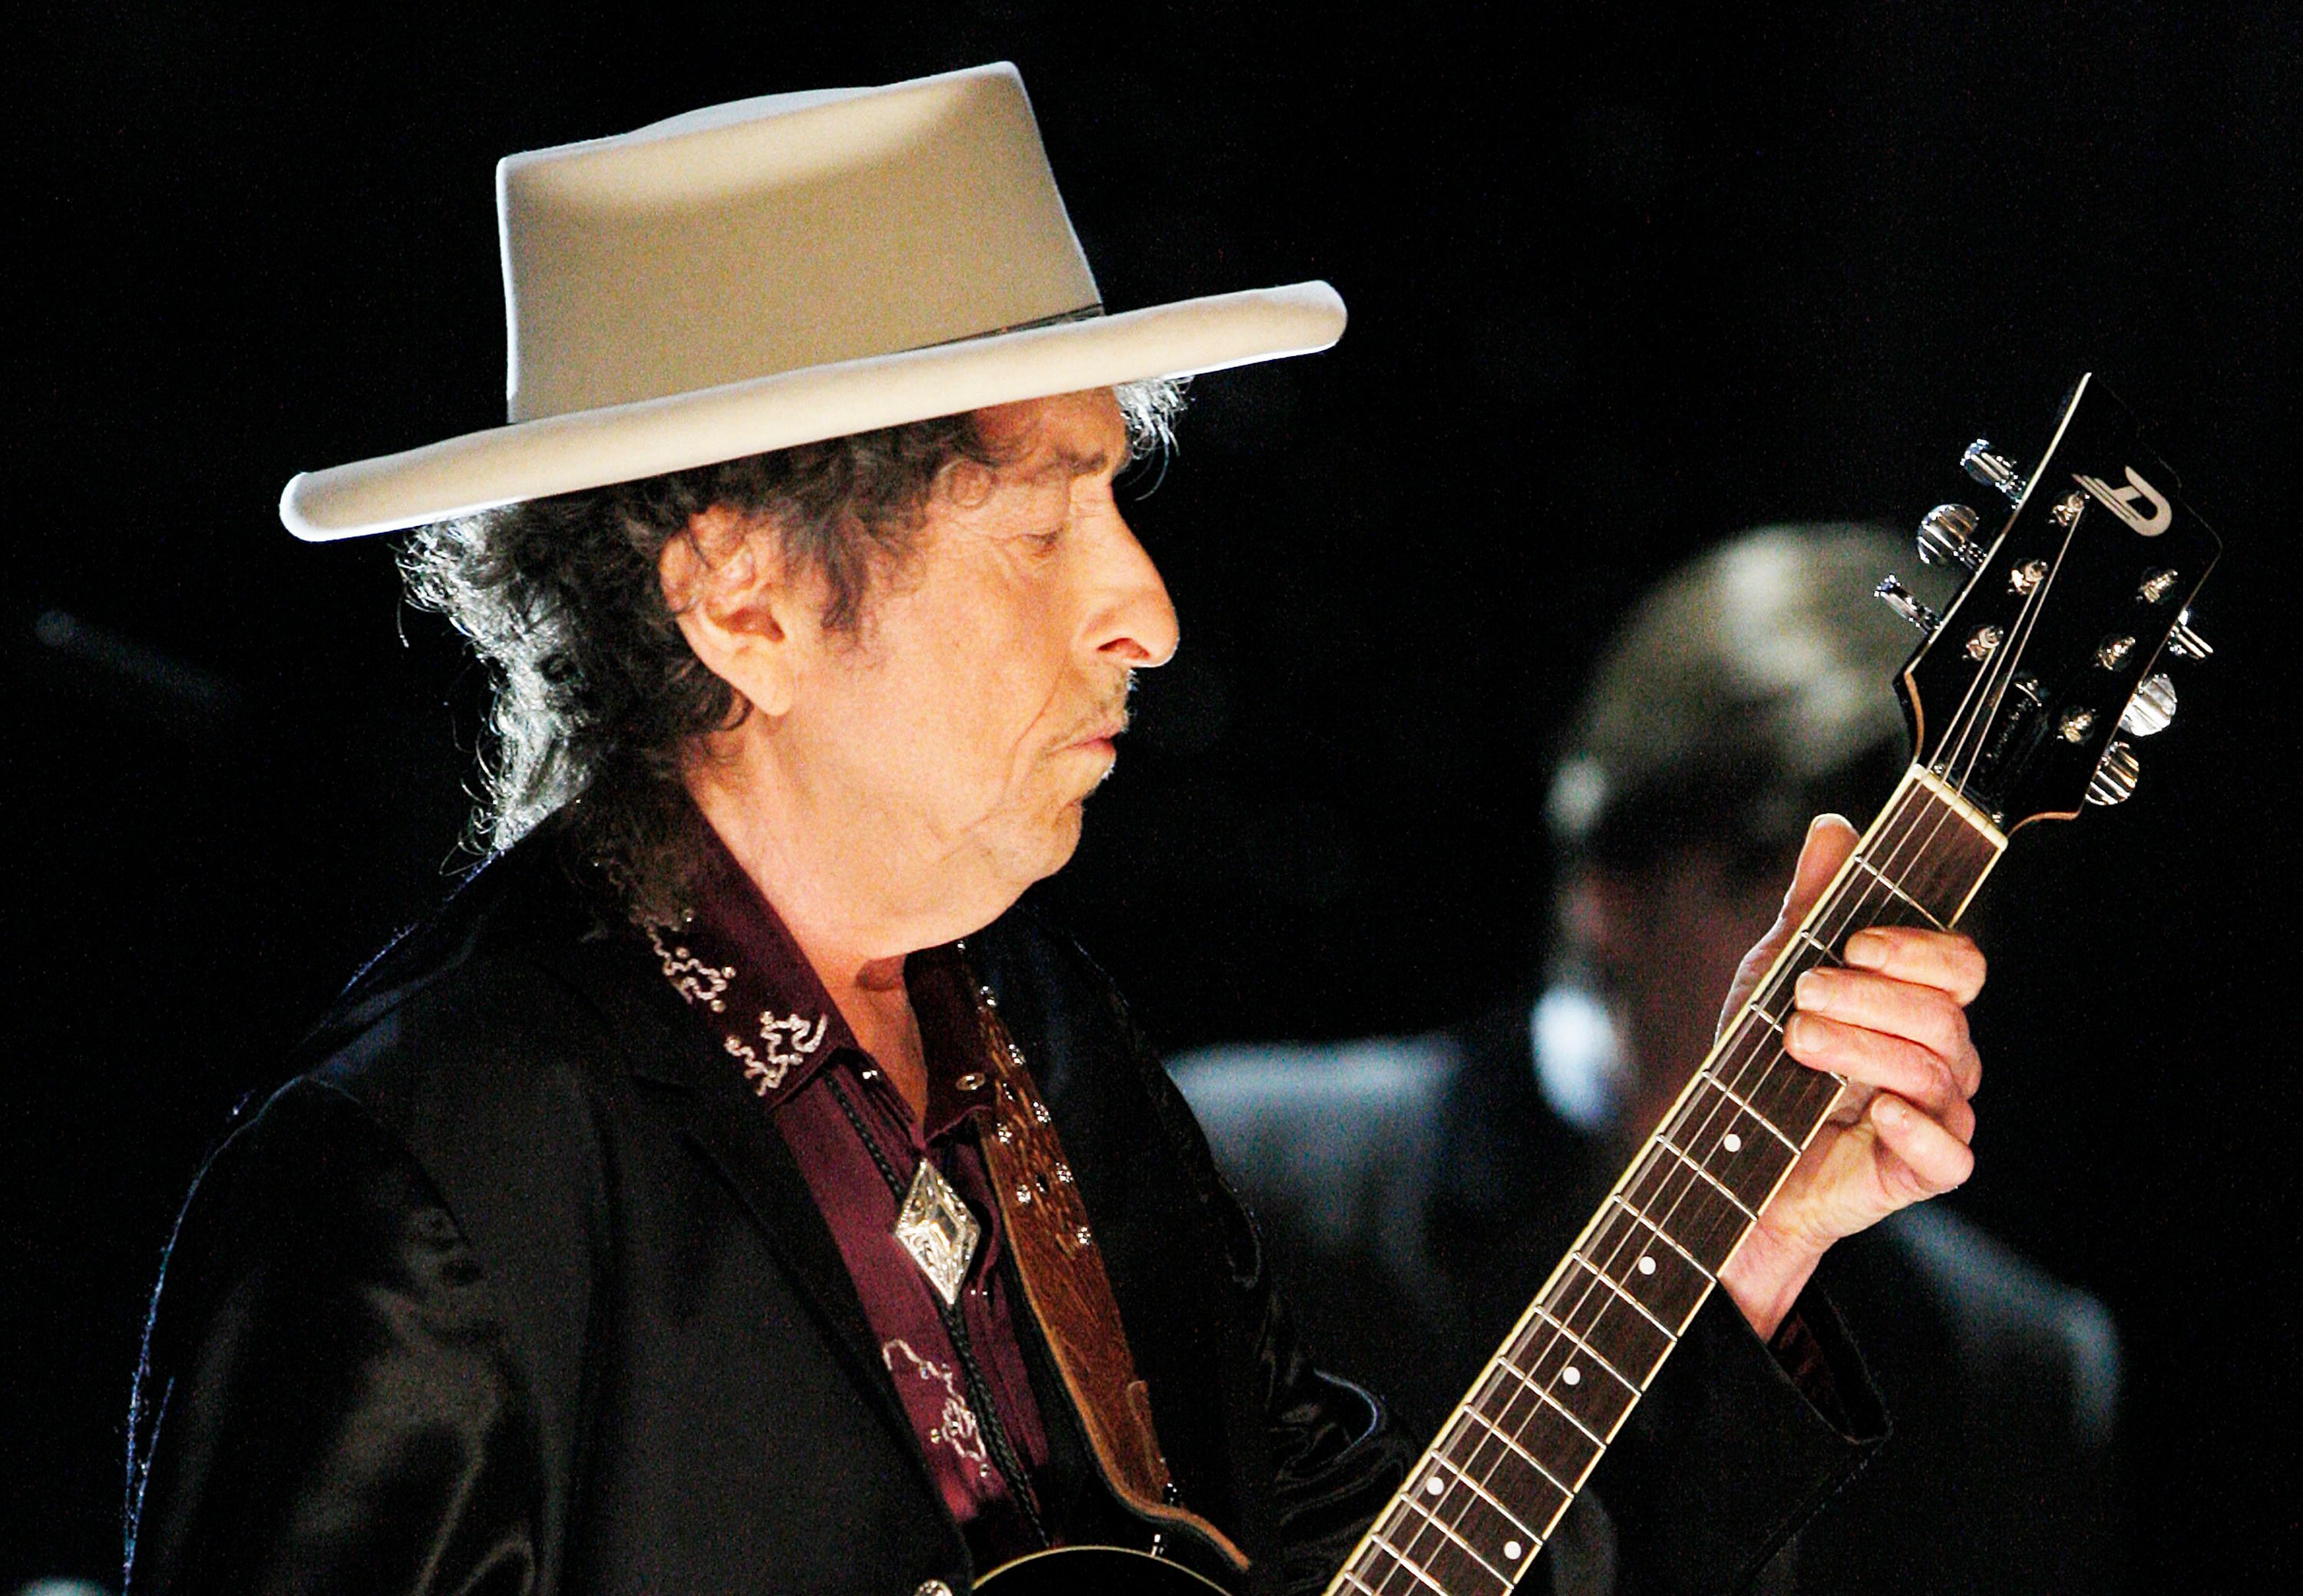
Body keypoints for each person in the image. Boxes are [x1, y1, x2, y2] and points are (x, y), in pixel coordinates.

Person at [124, 70, 1988, 1595]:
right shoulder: (422, 1181)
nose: (1148, 610)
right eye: (1043, 524)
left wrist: (1742, 1244)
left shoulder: (1051, 1036)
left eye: (1126, 495)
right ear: (742, 599)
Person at [1175, 524, 2121, 1593]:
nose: (1862, 969)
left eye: (1927, 918)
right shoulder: (1234, 1180)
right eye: (1778, 883)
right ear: (1608, 884)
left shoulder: (2014, 1368)